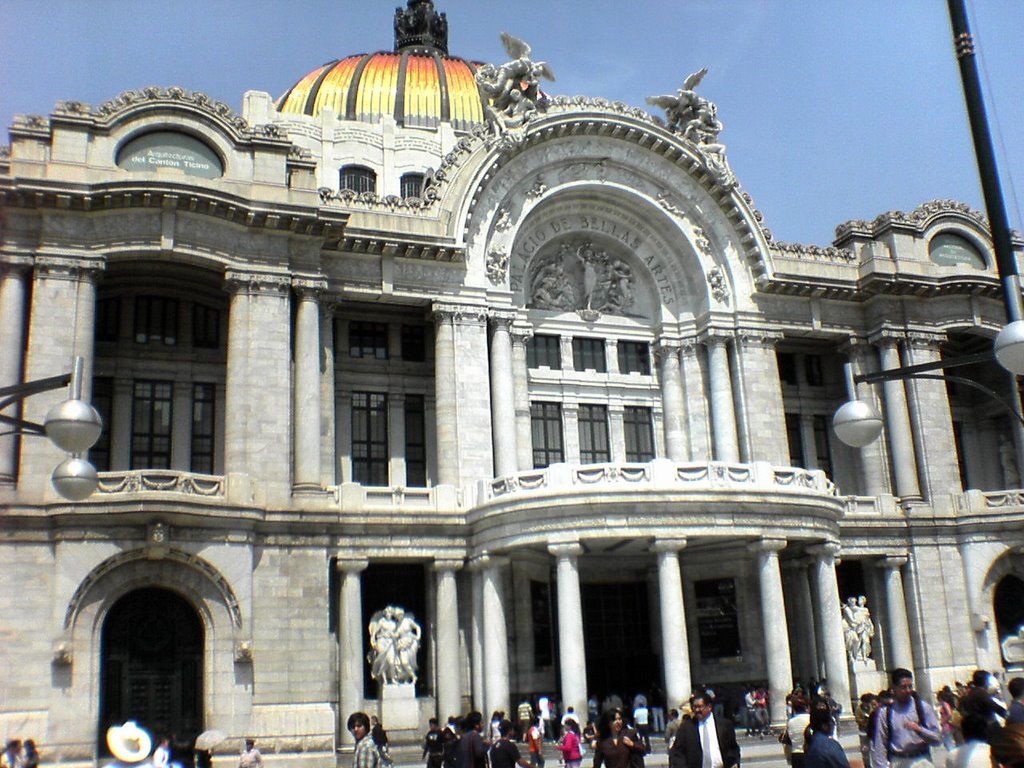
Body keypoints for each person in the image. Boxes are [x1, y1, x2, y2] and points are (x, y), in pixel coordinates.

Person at [871, 668, 941, 768]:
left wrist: (920, 730)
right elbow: (880, 744)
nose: (908, 690)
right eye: (903, 687)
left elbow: (937, 739)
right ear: (894, 688)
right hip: (899, 761)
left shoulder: (923, 708)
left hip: (922, 760)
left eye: (910, 686)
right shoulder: (886, 713)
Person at [669, 691, 740, 768]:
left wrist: (734, 762)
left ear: (709, 707)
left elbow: (733, 748)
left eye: (700, 707)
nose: (696, 710)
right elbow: (677, 752)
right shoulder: (686, 727)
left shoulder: (724, 725)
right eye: (694, 707)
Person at [781, 696, 811, 768]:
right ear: (807, 707)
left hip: (795, 754)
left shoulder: (791, 722)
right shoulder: (810, 718)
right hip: (808, 752)